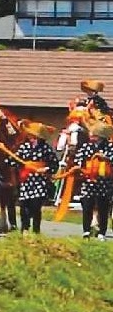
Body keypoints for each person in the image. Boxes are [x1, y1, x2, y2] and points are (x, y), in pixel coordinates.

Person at [65, 82, 113, 239]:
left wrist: (94, 116)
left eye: (91, 90)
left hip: (99, 125)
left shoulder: (100, 102)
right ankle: (87, 229)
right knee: (72, 130)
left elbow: (104, 116)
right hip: (89, 178)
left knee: (103, 203)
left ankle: (101, 230)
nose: (89, 93)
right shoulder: (85, 103)